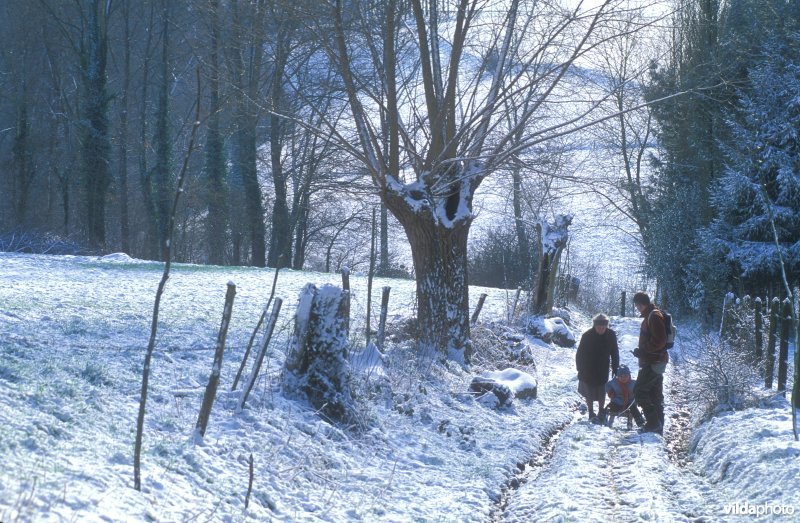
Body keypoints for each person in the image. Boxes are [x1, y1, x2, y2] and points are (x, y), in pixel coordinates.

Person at [632, 291, 668, 434]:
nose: (637, 308)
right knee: (655, 394)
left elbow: (660, 340)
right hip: (656, 360)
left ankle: (653, 423)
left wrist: (643, 351)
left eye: (637, 305)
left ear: (641, 304)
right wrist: (642, 352)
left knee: (639, 390)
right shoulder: (653, 314)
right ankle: (658, 427)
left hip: (653, 361)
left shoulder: (654, 316)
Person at [576, 313, 619, 423]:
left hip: (603, 367)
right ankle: (591, 412)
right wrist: (579, 369)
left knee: (601, 390)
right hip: (588, 367)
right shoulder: (587, 336)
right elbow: (579, 354)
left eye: (603, 327)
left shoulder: (611, 335)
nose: (601, 329)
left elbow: (615, 353)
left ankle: (601, 411)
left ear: (606, 326)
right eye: (598, 327)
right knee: (589, 390)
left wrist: (615, 368)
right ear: (594, 326)